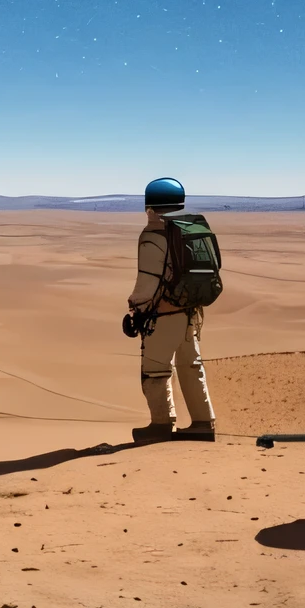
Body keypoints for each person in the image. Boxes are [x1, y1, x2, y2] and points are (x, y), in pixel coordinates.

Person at [128, 177, 216, 443]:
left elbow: (147, 281)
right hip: (191, 311)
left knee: (155, 370)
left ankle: (161, 425)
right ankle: (203, 423)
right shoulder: (191, 230)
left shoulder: (151, 237)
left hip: (163, 314)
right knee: (192, 366)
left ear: (150, 207)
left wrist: (137, 307)